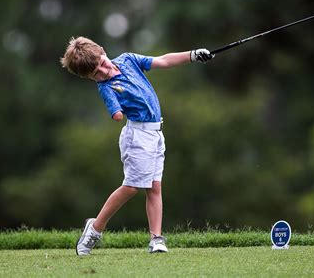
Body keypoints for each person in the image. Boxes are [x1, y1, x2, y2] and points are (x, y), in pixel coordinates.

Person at [60, 36, 214, 255]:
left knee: (154, 187)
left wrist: (193, 55)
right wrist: (117, 111)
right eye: (96, 74)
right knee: (132, 186)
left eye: (102, 64)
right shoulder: (106, 88)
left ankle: (156, 239)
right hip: (137, 137)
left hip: (155, 134)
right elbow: (116, 115)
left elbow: (163, 61)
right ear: (89, 77)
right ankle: (95, 228)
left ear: (104, 51)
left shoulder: (128, 59)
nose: (104, 72)